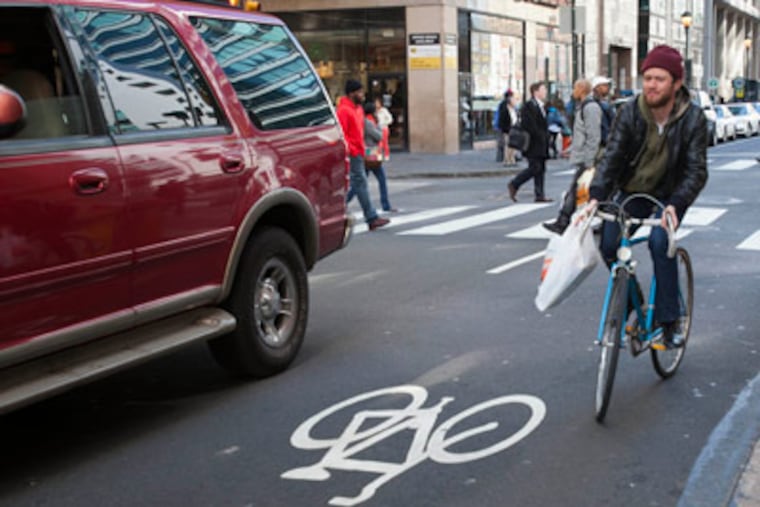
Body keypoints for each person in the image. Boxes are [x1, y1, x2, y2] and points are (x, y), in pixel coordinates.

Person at [582, 45, 708, 348]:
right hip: (632, 191)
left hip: (670, 194)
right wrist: (596, 195)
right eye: (648, 77)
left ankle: (669, 320)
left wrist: (676, 205)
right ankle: (631, 300)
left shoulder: (693, 119)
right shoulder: (630, 112)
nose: (651, 85)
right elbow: (612, 156)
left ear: (676, 83)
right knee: (610, 244)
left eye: (659, 79)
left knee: (660, 242)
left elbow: (696, 171)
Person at [543, 79, 602, 234]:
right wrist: (571, 149)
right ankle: (564, 221)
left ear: (582, 89)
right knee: (582, 190)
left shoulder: (590, 108)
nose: (573, 91)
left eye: (575, 87)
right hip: (585, 156)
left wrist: (589, 161)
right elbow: (581, 135)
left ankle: (563, 222)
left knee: (576, 190)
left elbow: (593, 136)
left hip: (589, 158)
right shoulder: (583, 106)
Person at [337, 79, 389, 231]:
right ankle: (371, 217)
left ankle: (340, 209)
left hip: (358, 151)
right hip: (353, 152)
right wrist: (353, 149)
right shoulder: (344, 111)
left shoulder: (358, 110)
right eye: (359, 92)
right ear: (352, 93)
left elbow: (359, 131)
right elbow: (342, 134)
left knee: (358, 184)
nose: (362, 95)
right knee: (360, 183)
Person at [347, 101, 397, 213]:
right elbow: (379, 136)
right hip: (371, 154)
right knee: (379, 179)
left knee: (359, 182)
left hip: (367, 153)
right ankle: (385, 205)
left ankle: (345, 201)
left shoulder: (363, 121)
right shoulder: (369, 122)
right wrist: (379, 125)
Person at [507, 81, 552, 203]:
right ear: (536, 92)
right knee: (535, 168)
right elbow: (530, 125)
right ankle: (515, 183)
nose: (545, 92)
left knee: (541, 168)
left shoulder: (542, 106)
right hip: (533, 143)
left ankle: (540, 195)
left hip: (542, 143)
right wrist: (541, 135)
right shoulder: (529, 106)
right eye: (543, 90)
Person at [498, 90, 518, 166]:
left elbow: (515, 118)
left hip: (514, 128)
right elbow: (503, 120)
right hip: (507, 129)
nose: (515, 101)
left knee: (514, 145)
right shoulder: (504, 108)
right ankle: (507, 160)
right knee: (508, 144)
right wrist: (506, 129)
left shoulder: (514, 109)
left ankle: (512, 158)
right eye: (513, 99)